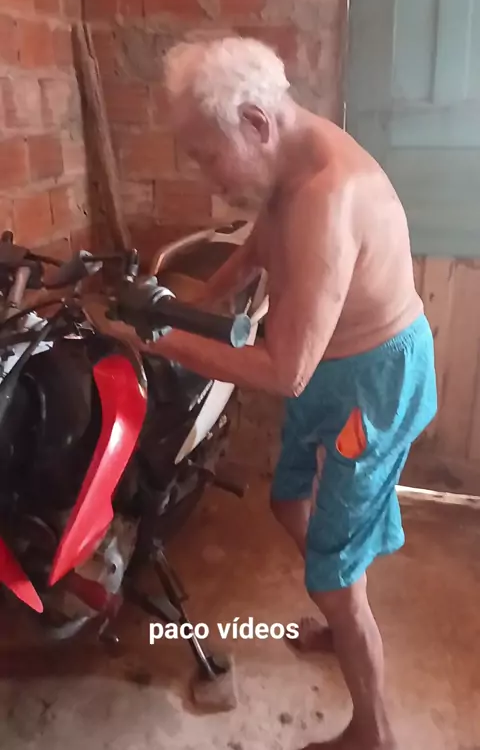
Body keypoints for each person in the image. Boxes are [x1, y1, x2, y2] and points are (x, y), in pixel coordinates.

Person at [99, 37, 438, 750]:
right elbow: (259, 247)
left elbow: (285, 372)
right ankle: (341, 611)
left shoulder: (327, 195)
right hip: (328, 368)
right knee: (289, 501)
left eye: (207, 156)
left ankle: (374, 728)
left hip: (370, 387)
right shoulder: (286, 160)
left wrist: (162, 340)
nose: (207, 175)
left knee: (335, 578)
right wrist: (185, 302)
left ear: (255, 122)